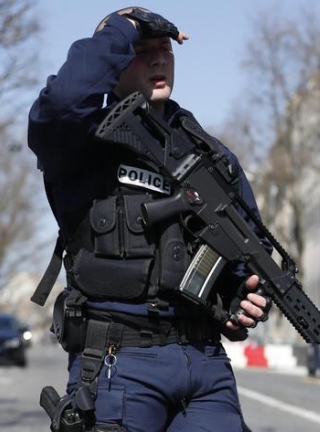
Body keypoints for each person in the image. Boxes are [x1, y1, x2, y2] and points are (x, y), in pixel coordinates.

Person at [27, 7, 271, 432]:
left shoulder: (210, 154)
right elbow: (64, 101)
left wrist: (241, 297)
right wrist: (123, 26)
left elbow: (248, 248)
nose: (159, 59)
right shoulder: (78, 143)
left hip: (206, 365)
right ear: (115, 58)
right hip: (118, 363)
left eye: (165, 49)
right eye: (142, 51)